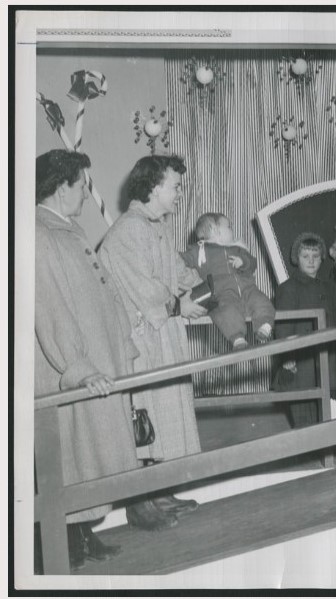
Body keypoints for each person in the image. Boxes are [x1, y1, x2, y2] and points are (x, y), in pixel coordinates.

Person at [34, 150, 140, 571]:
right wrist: (77, 367)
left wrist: (124, 345)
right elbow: (49, 307)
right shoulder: (37, 233)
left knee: (89, 454)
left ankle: (80, 532)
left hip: (98, 361)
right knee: (74, 454)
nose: (84, 192)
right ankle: (64, 541)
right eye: (81, 185)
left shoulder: (64, 227)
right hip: (71, 370)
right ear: (63, 187)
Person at [98, 155, 205, 531]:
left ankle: (160, 493)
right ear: (154, 187)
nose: (179, 193)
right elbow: (145, 289)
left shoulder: (154, 227)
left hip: (163, 336)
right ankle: (140, 506)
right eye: (175, 186)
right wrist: (180, 304)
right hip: (141, 342)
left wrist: (217, 280)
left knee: (165, 415)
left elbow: (179, 273)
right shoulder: (129, 230)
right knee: (144, 418)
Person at [273, 232, 336, 427]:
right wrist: (287, 355)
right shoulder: (288, 288)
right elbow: (284, 325)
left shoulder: (330, 287)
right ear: (297, 259)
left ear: (322, 258)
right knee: (303, 410)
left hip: (325, 357)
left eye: (315, 256)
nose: (311, 261)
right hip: (301, 360)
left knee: (323, 408)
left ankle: (322, 449)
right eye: (305, 257)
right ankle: (307, 452)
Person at [181, 212, 275, 350]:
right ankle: (237, 339)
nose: (232, 230)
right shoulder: (199, 251)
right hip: (223, 292)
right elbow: (181, 259)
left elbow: (253, 262)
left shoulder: (237, 248)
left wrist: (244, 261)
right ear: (216, 231)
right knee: (225, 310)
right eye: (229, 227)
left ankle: (265, 326)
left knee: (261, 301)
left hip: (248, 288)